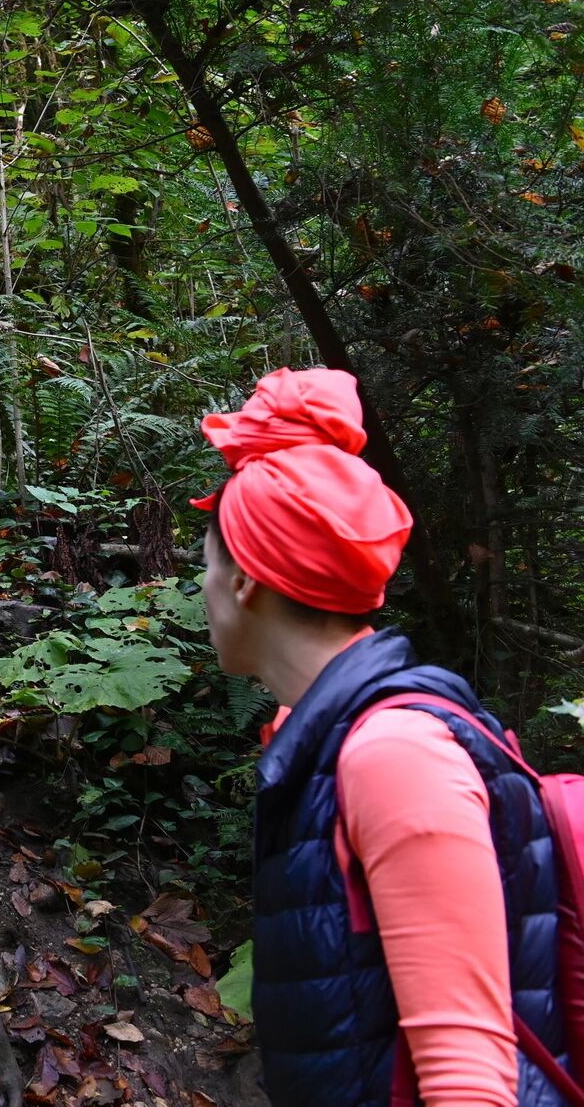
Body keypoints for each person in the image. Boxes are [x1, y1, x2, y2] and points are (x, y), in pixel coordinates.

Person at [195, 368, 566, 1106]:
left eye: (205, 565)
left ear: (244, 583)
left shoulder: (392, 756)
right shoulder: (319, 736)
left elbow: (468, 1077)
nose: (199, 588)